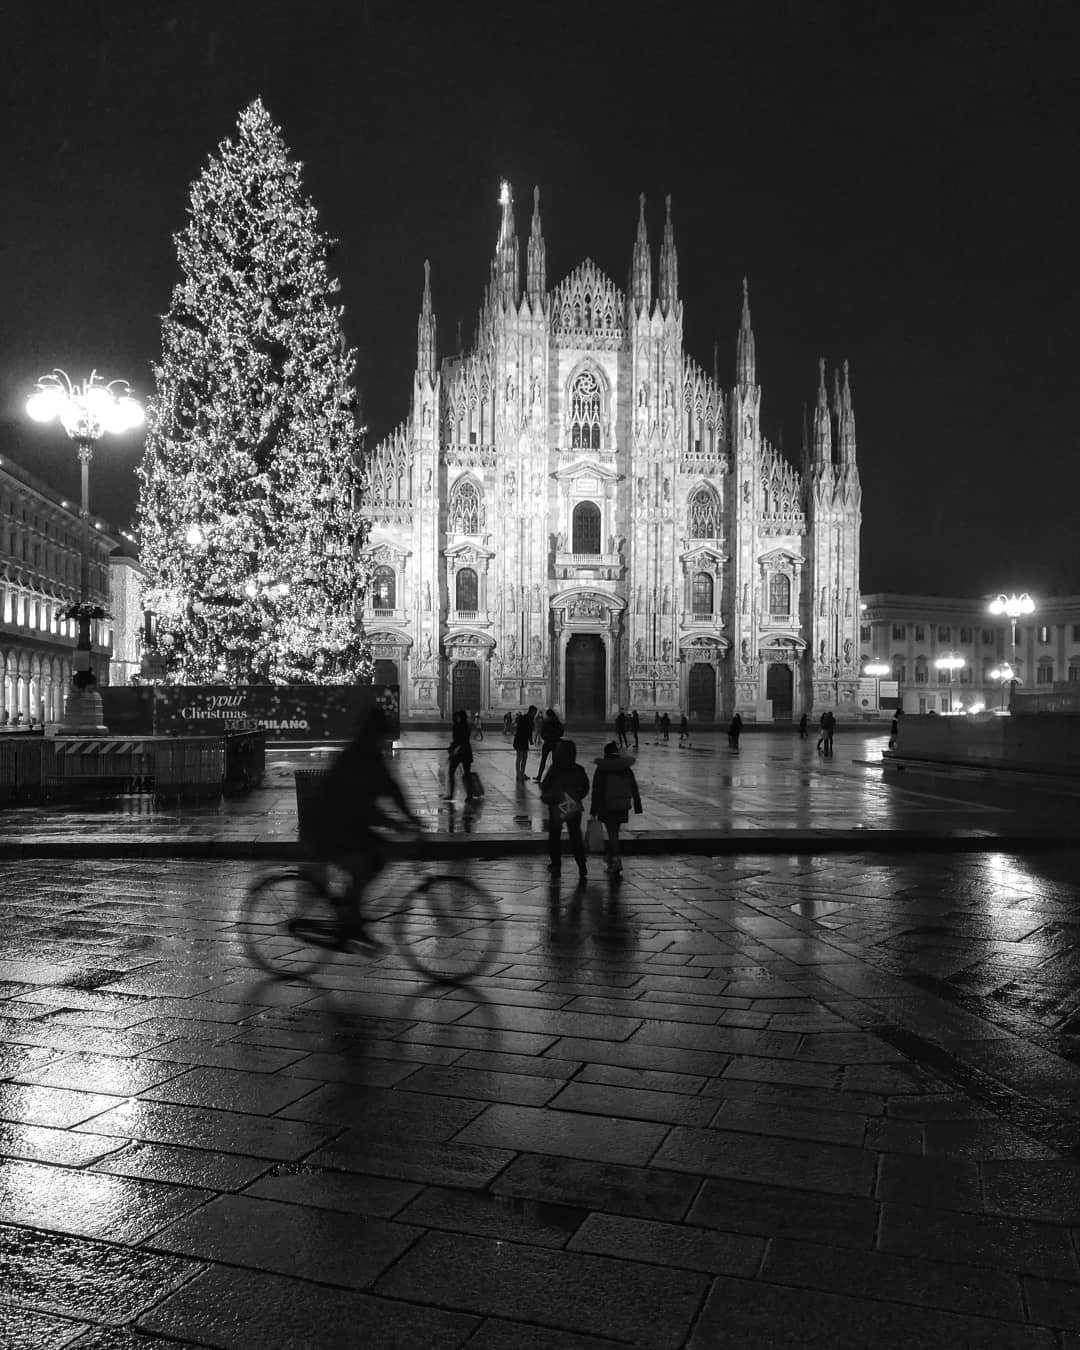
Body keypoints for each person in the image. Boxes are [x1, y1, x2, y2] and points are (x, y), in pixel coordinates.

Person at [307, 707, 422, 946]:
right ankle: (349, 916)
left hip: (346, 823)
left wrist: (410, 817)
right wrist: (394, 822)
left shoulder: (370, 753)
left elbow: (392, 788)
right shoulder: (358, 755)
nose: (383, 739)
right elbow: (357, 803)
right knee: (367, 862)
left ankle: (350, 912)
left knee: (376, 857)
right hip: (329, 825)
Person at [540, 739, 590, 879]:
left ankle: (556, 864)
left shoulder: (555, 768)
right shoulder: (578, 769)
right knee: (575, 836)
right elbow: (585, 787)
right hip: (572, 804)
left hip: (557, 804)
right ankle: (581, 865)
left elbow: (545, 785)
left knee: (555, 836)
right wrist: (576, 797)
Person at [590, 741, 642, 877]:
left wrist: (593, 810)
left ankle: (616, 861)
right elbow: (634, 786)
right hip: (622, 805)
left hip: (607, 805)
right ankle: (610, 857)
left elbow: (596, 790)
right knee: (614, 832)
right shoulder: (625, 767)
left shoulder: (603, 768)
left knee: (612, 833)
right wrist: (637, 805)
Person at [444, 709, 478, 800]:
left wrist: (454, 748)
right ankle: (452, 794)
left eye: (459, 717)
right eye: (456, 717)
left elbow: (463, 740)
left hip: (463, 751)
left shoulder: (464, 726)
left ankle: (469, 795)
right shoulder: (457, 726)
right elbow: (457, 740)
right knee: (452, 773)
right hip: (460, 751)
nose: (457, 718)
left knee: (466, 773)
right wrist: (452, 747)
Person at [535, 707, 564, 780]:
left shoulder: (545, 721)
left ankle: (539, 776)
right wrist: (556, 737)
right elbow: (561, 732)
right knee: (555, 761)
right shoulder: (557, 721)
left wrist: (546, 738)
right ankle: (556, 777)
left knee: (543, 760)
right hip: (555, 742)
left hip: (547, 743)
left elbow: (542, 733)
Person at [513, 705, 537, 781]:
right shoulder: (529, 718)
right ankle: (519, 774)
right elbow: (528, 730)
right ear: (532, 711)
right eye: (535, 712)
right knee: (521, 758)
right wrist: (531, 741)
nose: (535, 714)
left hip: (521, 739)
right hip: (521, 740)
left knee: (522, 758)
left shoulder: (524, 717)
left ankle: (521, 774)